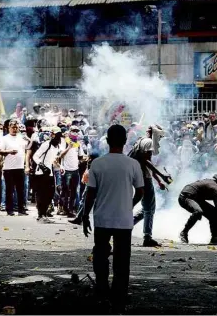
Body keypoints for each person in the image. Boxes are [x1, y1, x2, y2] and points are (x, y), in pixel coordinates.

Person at [82, 124, 144, 313]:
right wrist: (129, 205)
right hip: (124, 220)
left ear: (107, 141)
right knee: (122, 259)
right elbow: (140, 191)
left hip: (102, 218)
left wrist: (85, 215)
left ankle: (101, 289)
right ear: (125, 142)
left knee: (100, 255)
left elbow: (90, 193)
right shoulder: (133, 164)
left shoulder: (97, 164)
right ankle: (120, 295)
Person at [130, 124, 171, 247]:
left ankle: (126, 225)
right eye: (159, 136)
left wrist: (158, 180)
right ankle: (147, 237)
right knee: (149, 209)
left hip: (138, 176)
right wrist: (162, 176)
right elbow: (146, 161)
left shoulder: (140, 141)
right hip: (143, 177)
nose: (159, 140)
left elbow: (148, 164)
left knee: (146, 209)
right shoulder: (148, 142)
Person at [178, 174, 217, 245]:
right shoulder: (216, 190)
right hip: (185, 197)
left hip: (196, 198)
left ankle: (215, 238)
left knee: (213, 213)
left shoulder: (216, 184)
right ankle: (183, 233)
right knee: (198, 211)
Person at [0, 119, 29, 216]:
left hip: (20, 167)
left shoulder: (21, 138)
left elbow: (28, 150)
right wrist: (9, 151)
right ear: (8, 128)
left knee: (21, 189)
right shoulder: (4, 138)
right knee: (9, 190)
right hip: (8, 168)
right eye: (13, 127)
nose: (15, 129)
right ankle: (9, 210)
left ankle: (21, 209)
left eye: (16, 127)